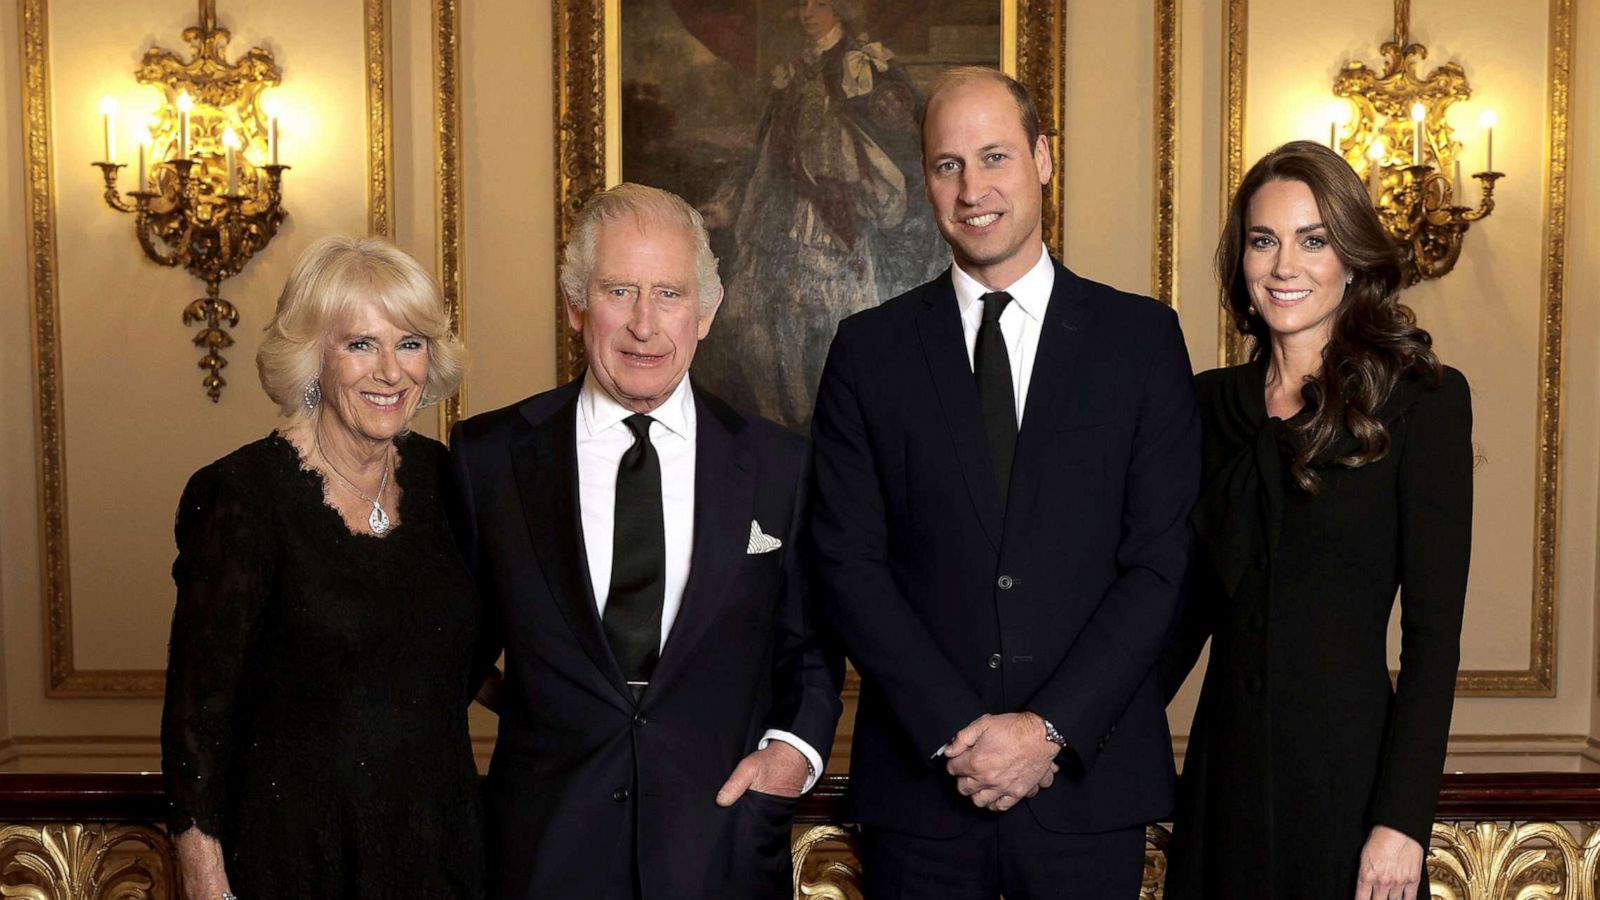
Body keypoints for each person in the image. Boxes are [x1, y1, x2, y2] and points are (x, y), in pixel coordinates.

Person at [809, 66, 1201, 898]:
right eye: (948, 165)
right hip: (924, 794)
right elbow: (847, 564)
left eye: (995, 157)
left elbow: (1162, 564)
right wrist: (960, 733)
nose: (972, 187)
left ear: (1044, 159)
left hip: (1087, 792)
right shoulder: (868, 353)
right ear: (925, 180)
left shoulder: (1141, 341)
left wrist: (1047, 731)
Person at [448, 182, 844, 900]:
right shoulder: (489, 458)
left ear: (707, 311)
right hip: (542, 851)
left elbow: (812, 648)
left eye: (668, 294)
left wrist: (791, 755)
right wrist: (541, 708)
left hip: (719, 843)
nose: (643, 325)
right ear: (575, 306)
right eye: (619, 291)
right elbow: (445, 649)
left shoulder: (780, 465)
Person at [1159, 140, 1473, 900]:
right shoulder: (1205, 405)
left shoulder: (1423, 400)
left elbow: (1434, 641)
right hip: (1222, 785)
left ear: (1354, 256)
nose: (1283, 266)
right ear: (1241, 259)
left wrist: (1401, 821)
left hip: (1350, 791)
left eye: (1313, 240)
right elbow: (1178, 614)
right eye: (1264, 241)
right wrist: (1065, 733)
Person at [160, 236, 482, 899]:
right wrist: (206, 883)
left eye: (411, 343)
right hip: (292, 859)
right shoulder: (243, 496)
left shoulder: (449, 482)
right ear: (311, 358)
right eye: (361, 344)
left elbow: (459, 650)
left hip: (438, 854)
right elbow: (197, 719)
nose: (391, 371)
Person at [698, 0, 944, 428]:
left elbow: (902, 137)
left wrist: (854, 167)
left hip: (837, 213)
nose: (807, 12)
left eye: (820, 3)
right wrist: (731, 202)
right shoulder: (794, 71)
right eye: (802, 4)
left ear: (843, 9)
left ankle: (837, 419)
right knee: (766, 314)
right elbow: (765, 149)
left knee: (835, 318)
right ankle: (787, 421)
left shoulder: (863, 65)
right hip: (780, 209)